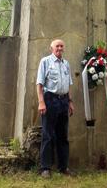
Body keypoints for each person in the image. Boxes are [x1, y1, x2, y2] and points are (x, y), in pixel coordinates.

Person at [36, 39, 74, 178]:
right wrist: (41, 102)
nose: (59, 48)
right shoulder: (45, 61)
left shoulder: (66, 64)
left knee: (63, 135)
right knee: (48, 135)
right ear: (51, 48)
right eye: (57, 46)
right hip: (50, 100)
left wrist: (70, 101)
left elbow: (69, 84)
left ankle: (63, 167)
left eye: (61, 46)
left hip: (63, 100)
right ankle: (45, 168)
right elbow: (39, 84)